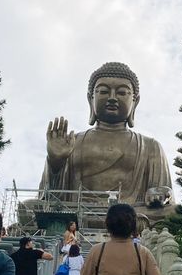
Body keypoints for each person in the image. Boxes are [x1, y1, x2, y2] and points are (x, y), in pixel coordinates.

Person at [40, 62, 175, 223]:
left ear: (135, 101)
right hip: (78, 211)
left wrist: (160, 193)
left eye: (122, 92)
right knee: (29, 206)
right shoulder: (72, 142)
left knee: (176, 212)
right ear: (91, 99)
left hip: (131, 212)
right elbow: (50, 198)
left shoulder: (150, 146)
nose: (112, 98)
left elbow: (165, 194)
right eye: (103, 91)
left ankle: (112, 221)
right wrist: (56, 162)